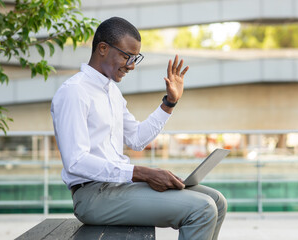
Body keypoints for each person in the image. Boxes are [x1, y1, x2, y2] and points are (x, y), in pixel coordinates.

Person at [51, 17, 227, 240]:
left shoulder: (111, 92)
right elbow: (75, 161)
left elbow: (136, 138)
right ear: (103, 48)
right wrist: (141, 173)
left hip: (119, 187)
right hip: (93, 196)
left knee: (218, 202)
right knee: (201, 208)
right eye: (127, 56)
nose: (132, 65)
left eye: (135, 58)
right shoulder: (74, 92)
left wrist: (169, 103)